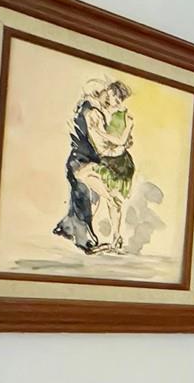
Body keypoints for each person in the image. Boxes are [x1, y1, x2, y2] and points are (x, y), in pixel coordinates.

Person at [54, 78, 136, 254]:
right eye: (108, 94)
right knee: (96, 196)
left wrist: (107, 136)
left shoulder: (124, 116)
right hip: (101, 160)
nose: (109, 98)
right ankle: (75, 231)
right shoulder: (96, 112)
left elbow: (122, 141)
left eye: (113, 95)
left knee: (111, 201)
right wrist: (109, 140)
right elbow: (103, 143)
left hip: (118, 163)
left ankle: (114, 238)